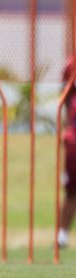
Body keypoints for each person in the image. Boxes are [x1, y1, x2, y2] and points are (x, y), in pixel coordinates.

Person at [58, 56, 76, 248]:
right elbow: (64, 97)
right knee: (71, 189)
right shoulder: (72, 64)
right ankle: (62, 236)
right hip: (74, 135)